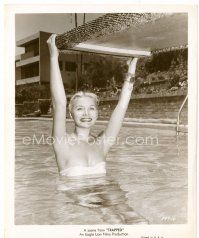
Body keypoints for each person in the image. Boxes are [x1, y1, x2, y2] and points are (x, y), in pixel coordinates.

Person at [47, 34, 138, 177]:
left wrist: (132, 66)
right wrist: (53, 58)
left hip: (104, 197)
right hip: (79, 198)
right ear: (70, 113)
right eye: (79, 109)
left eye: (91, 108)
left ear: (97, 112)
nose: (86, 114)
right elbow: (59, 103)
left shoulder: (102, 144)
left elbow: (122, 106)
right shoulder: (62, 143)